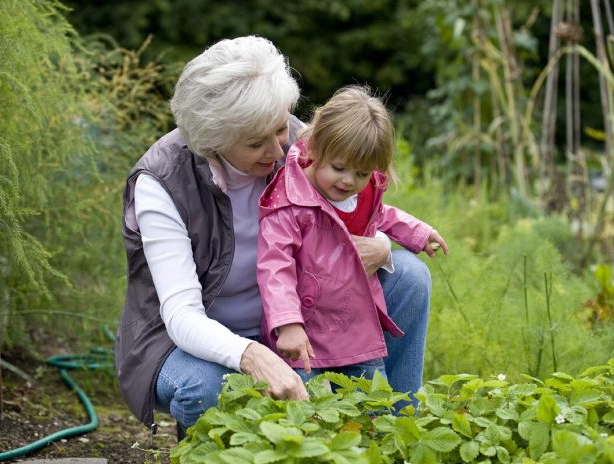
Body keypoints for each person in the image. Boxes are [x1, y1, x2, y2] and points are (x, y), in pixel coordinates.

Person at [115, 36, 434, 436]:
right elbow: (181, 316)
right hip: (189, 339)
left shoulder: (302, 144)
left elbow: (360, 204)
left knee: (408, 275)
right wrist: (251, 354)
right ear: (213, 141)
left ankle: (397, 432)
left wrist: (383, 245)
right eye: (254, 142)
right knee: (207, 388)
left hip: (296, 317)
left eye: (281, 128)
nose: (277, 149)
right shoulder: (163, 182)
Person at [257, 86, 448, 383]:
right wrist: (287, 324)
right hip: (304, 335)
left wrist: (419, 232)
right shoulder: (289, 201)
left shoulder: (363, 192)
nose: (348, 181)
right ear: (316, 148)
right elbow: (274, 266)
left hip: (356, 330)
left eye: (362, 174)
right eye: (339, 168)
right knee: (306, 416)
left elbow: (382, 214)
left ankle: (399, 422)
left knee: (373, 409)